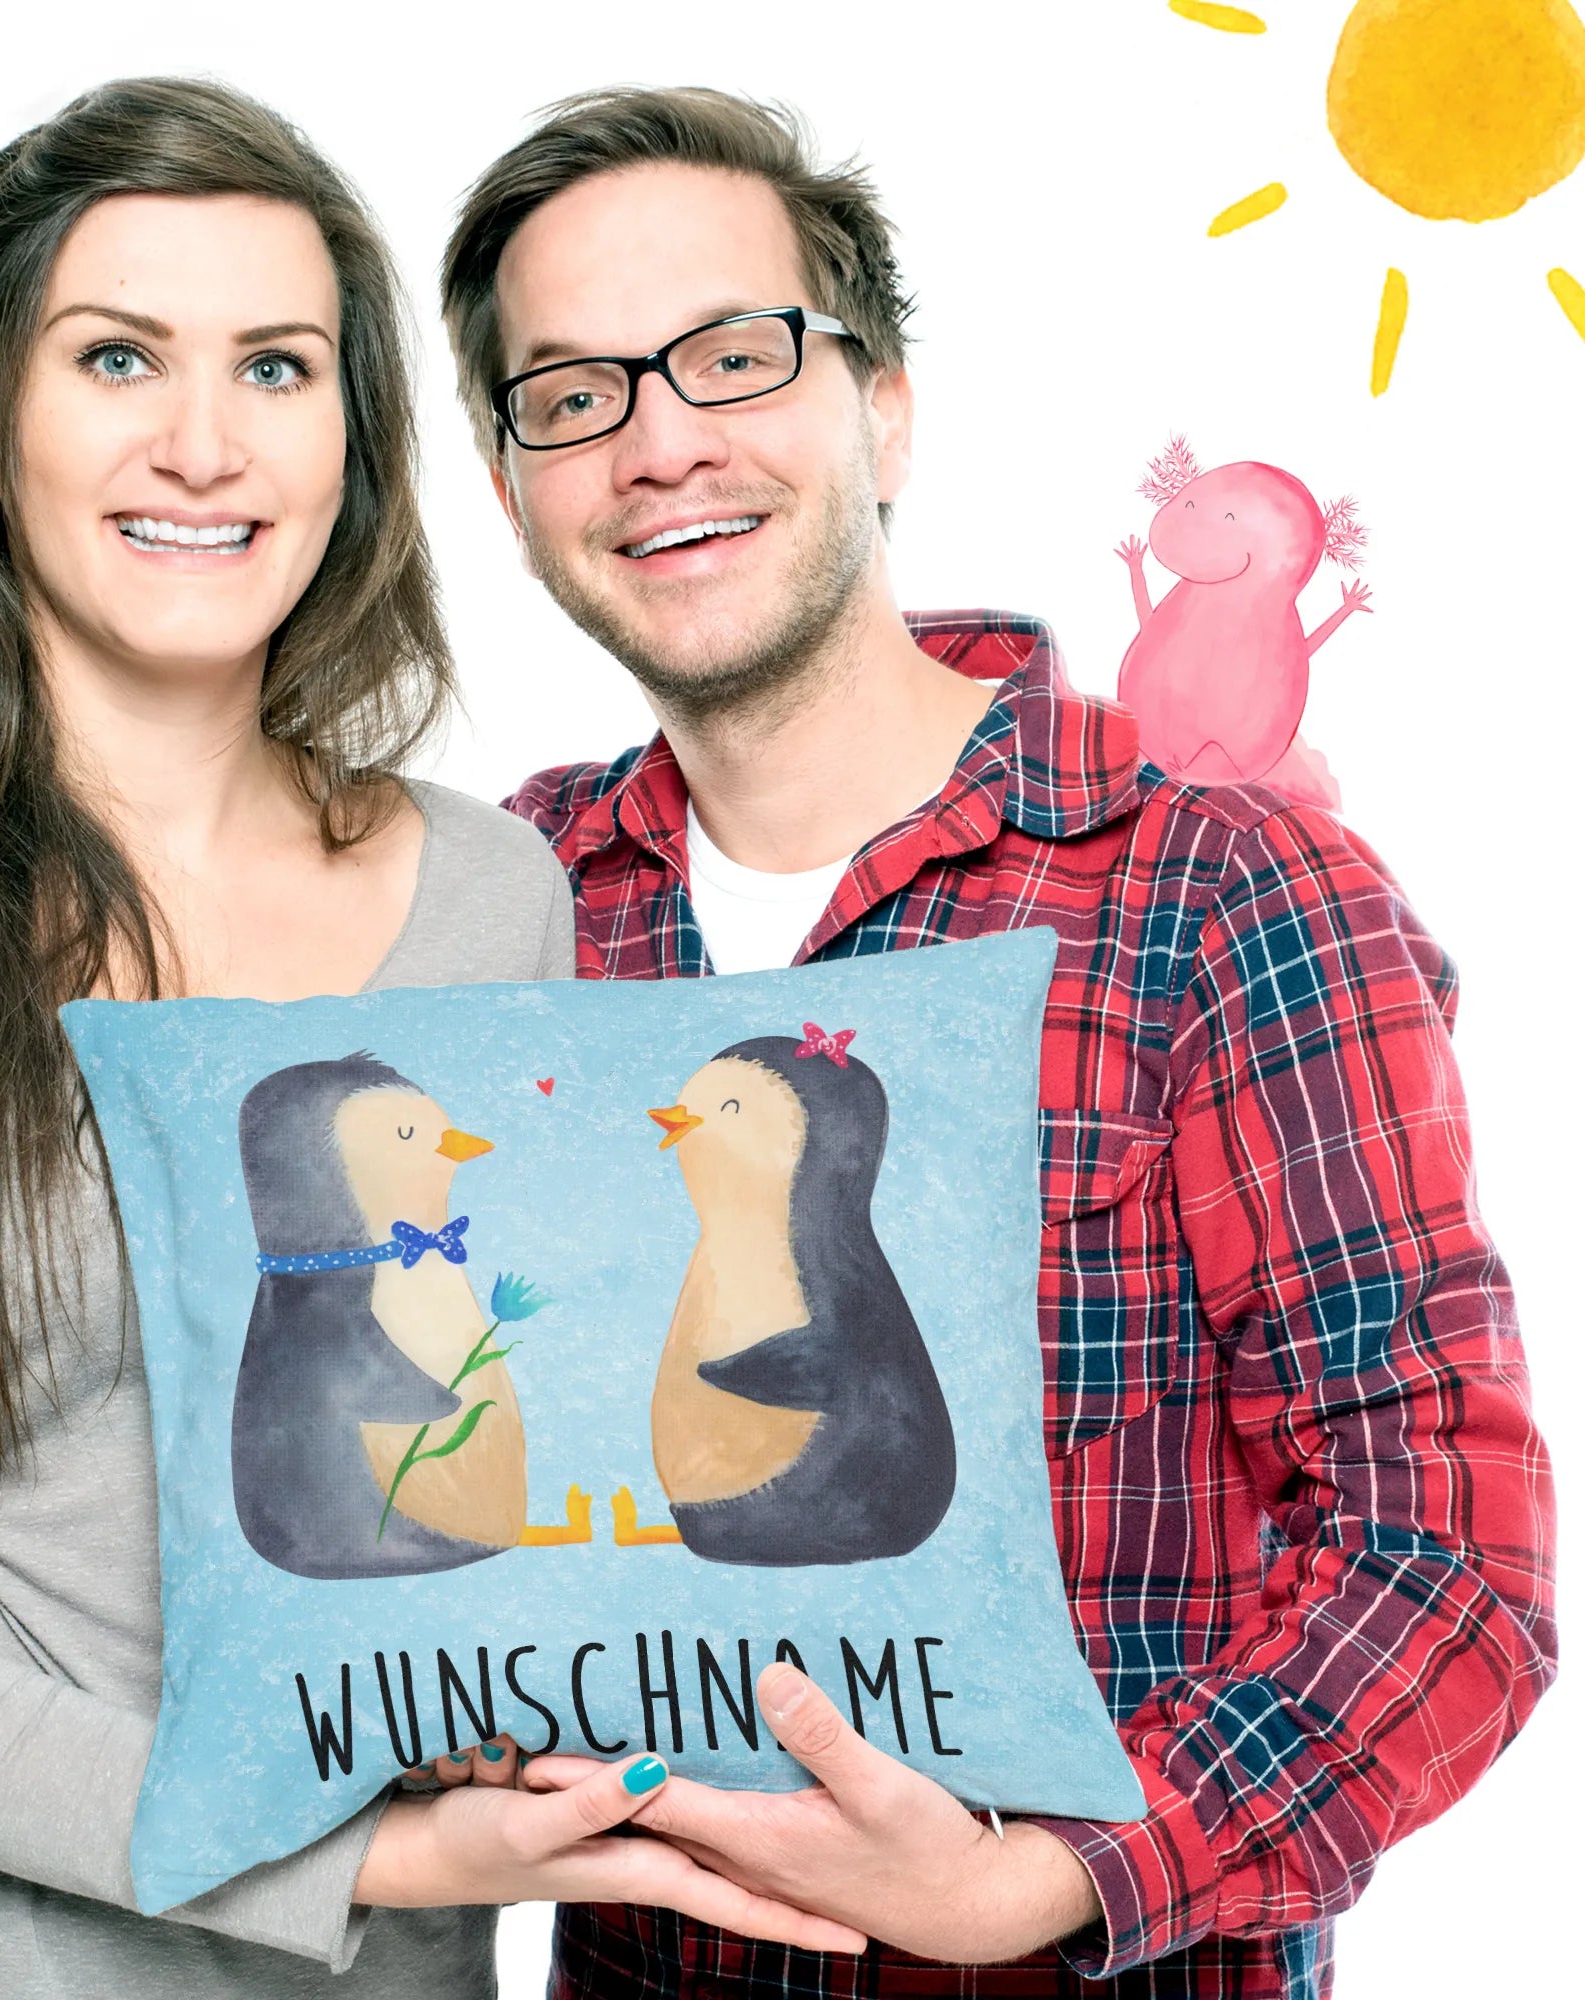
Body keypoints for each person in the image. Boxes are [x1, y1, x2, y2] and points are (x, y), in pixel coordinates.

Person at [0, 77, 865, 2000]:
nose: (203, 445)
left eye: (276, 367)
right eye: (117, 356)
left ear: (352, 448)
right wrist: (377, 1846)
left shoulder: (498, 897)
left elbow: (510, 1495)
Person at [431, 88, 1557, 1998]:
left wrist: (1045, 1878)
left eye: (731, 354)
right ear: (513, 485)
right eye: (573, 393)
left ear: (884, 408)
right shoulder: (512, 900)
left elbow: (1448, 1566)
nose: (660, 441)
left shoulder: (1223, 891)